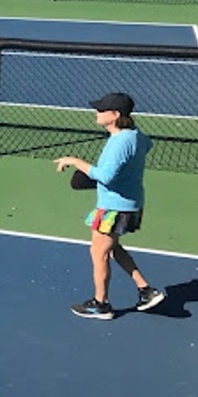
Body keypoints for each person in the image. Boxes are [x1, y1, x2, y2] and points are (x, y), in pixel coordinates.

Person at [54, 93, 166, 320]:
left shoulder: (120, 142)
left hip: (114, 207)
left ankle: (101, 304)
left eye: (101, 110)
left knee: (98, 253)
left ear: (115, 115)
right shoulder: (136, 136)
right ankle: (146, 290)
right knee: (112, 248)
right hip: (130, 202)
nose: (97, 112)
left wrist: (76, 162)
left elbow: (105, 176)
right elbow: (146, 146)